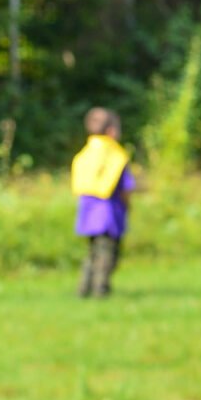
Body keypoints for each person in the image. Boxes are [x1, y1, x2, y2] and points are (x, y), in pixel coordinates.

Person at [72, 108, 135, 298]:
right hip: (109, 214)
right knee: (107, 254)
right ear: (111, 131)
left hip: (88, 212)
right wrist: (128, 205)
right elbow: (126, 187)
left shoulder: (84, 153)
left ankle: (84, 289)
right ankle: (101, 289)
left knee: (92, 252)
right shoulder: (115, 155)